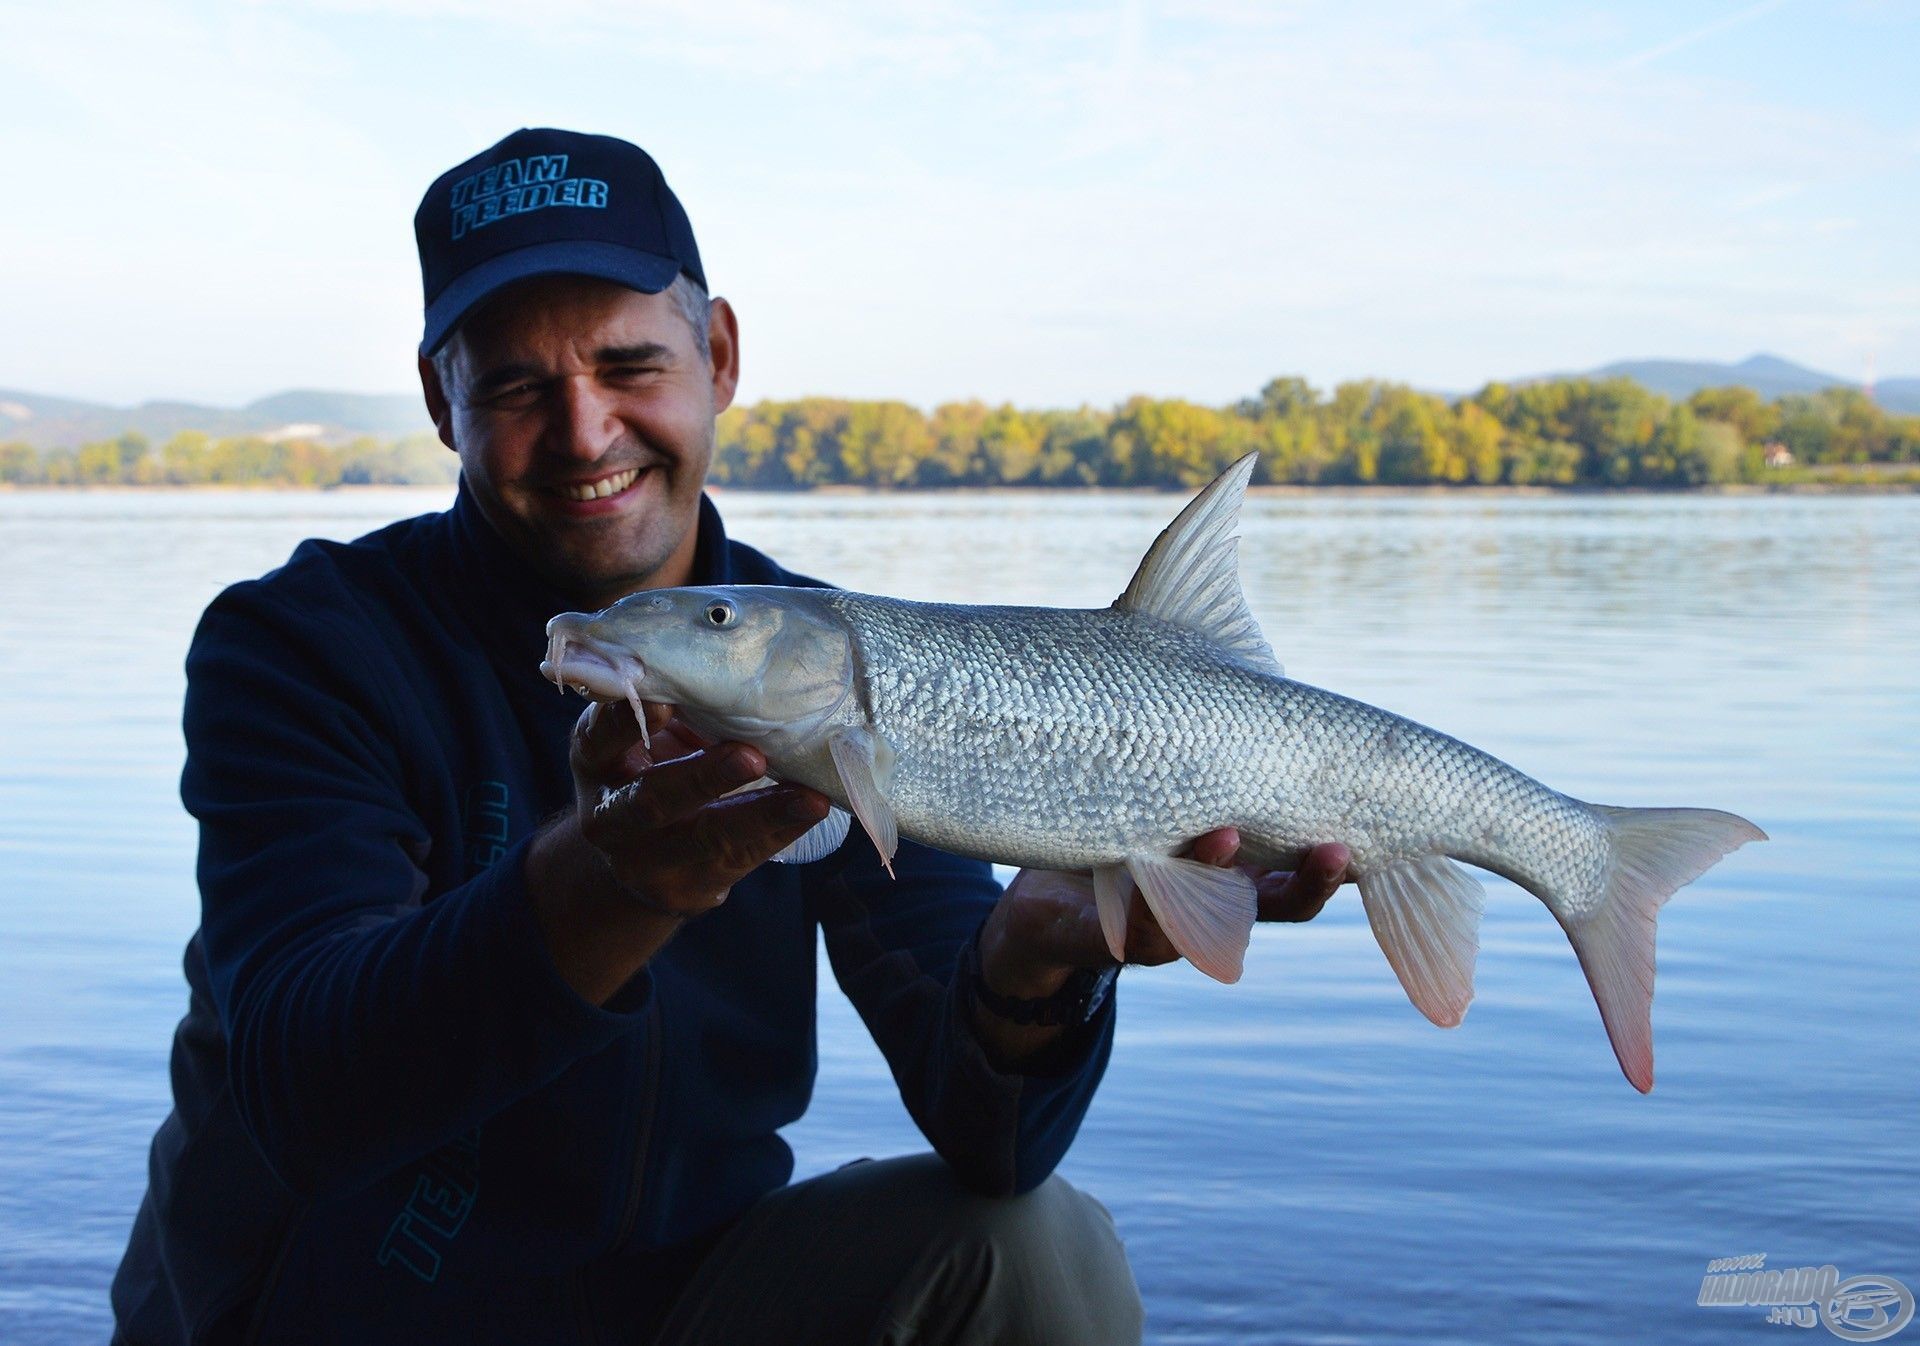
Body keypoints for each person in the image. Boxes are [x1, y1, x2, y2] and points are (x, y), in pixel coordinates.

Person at [110, 127, 1350, 1346]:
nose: (587, 431)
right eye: (516, 384)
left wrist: (1029, 966)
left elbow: (996, 1143)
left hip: (683, 1303)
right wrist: (607, 879)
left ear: (718, 353)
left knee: (1034, 1248)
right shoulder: (305, 644)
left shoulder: (830, 669)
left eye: (629, 365)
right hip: (326, 1316)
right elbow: (302, 1097)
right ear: (443, 399)